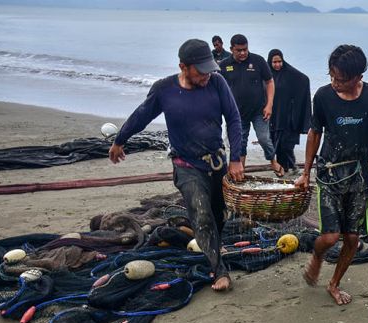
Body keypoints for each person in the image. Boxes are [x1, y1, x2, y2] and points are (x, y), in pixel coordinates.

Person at [108, 39, 243, 292]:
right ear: (183, 66)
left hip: (217, 163)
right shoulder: (165, 90)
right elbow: (142, 115)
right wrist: (120, 140)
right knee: (201, 214)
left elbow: (234, 119)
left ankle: (215, 245)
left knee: (218, 213)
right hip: (186, 165)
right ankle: (219, 270)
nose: (207, 75)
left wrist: (236, 158)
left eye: (210, 69)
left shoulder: (217, 83)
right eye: (201, 71)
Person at [295, 45, 368, 306]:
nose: (335, 83)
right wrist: (305, 173)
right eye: (332, 76)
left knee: (353, 238)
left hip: (359, 177)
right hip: (329, 174)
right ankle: (317, 256)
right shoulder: (323, 96)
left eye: (341, 79)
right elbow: (315, 133)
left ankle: (333, 283)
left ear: (358, 76)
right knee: (331, 236)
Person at [219, 34, 284, 177]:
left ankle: (272, 160)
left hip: (259, 110)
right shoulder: (224, 65)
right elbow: (217, 88)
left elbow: (270, 82)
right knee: (240, 142)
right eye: (239, 50)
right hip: (237, 113)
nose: (243, 53)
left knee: (264, 139)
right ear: (231, 49)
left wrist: (270, 105)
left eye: (245, 49)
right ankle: (240, 170)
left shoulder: (258, 61)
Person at [266, 49, 311, 176]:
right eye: (274, 62)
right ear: (270, 62)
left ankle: (288, 167)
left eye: (279, 61)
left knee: (286, 143)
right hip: (272, 116)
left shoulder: (289, 73)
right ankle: (287, 166)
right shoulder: (266, 74)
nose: (277, 65)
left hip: (287, 116)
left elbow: (304, 80)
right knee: (275, 143)